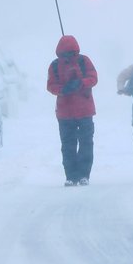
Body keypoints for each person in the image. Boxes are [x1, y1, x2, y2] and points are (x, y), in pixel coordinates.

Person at [46, 34, 98, 186]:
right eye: (65, 53)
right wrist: (64, 89)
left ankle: (82, 175)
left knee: (83, 143)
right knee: (70, 145)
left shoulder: (83, 61)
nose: (68, 56)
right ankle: (71, 176)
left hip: (82, 112)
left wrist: (80, 83)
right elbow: (51, 85)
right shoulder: (55, 65)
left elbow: (93, 78)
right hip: (67, 113)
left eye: (71, 53)